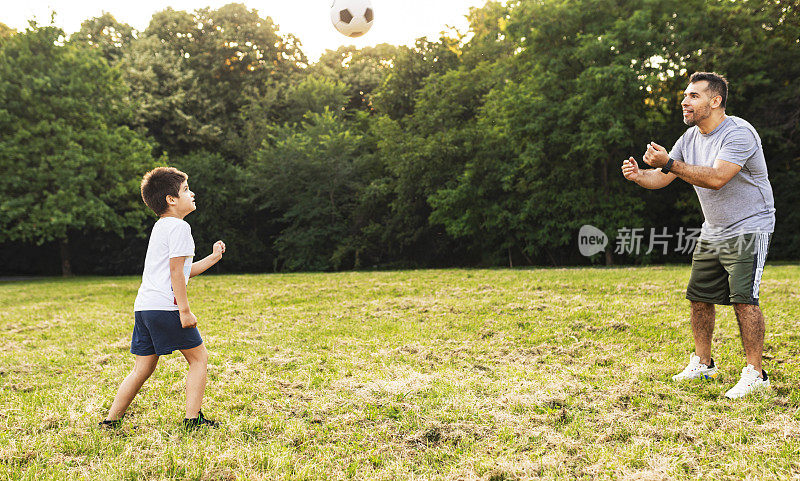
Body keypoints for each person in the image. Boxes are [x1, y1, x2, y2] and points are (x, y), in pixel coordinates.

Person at [621, 72, 775, 399]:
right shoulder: (690, 137)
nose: (684, 101)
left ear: (715, 101)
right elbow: (662, 177)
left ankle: (756, 374)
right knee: (699, 296)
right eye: (685, 96)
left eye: (693, 96)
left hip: (750, 225)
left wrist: (670, 163)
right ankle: (704, 364)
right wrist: (638, 176)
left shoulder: (739, 133)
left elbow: (717, 177)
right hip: (714, 229)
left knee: (744, 299)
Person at [100, 167, 226, 428]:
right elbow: (176, 273)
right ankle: (193, 419)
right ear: (171, 199)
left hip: (145, 308)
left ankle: (111, 421)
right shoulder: (180, 227)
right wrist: (184, 310)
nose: (192, 194)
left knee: (142, 369)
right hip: (167, 309)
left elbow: (182, 271)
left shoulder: (161, 227)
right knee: (198, 358)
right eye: (186, 190)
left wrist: (213, 258)